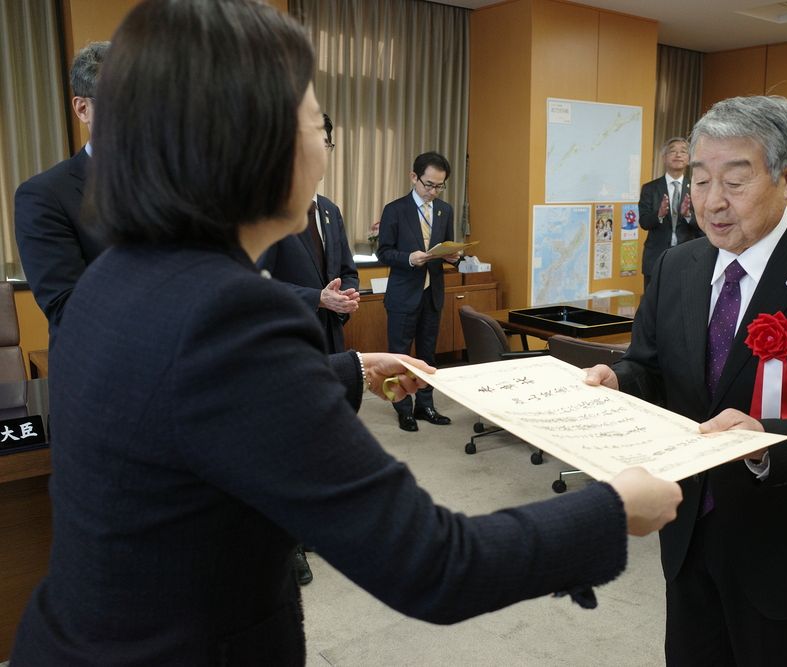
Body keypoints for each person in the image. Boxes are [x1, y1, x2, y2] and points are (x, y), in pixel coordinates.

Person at [11, 1, 682, 664]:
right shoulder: (229, 313)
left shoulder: (125, 270)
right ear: (255, 144)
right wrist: (611, 509)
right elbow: (431, 562)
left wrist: (348, 368)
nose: (325, 148)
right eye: (315, 124)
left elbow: (186, 400)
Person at [586, 96, 787, 665]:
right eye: (700, 181)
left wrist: (762, 440)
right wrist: (618, 380)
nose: (712, 202)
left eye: (735, 180)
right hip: (689, 529)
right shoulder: (678, 267)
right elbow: (651, 367)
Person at [15, 41, 110, 349]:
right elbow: (69, 310)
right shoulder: (44, 196)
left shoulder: (181, 184)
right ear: (83, 108)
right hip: (104, 379)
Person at [258, 114, 361, 357]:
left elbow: (347, 271)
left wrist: (344, 299)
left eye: (325, 145)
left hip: (331, 338)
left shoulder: (330, 210)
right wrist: (318, 298)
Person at [377, 151, 461, 432]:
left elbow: (449, 248)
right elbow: (384, 252)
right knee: (399, 356)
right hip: (403, 293)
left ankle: (425, 405)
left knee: (427, 355)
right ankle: (402, 408)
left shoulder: (444, 210)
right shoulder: (395, 210)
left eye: (440, 186)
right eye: (428, 184)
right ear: (414, 177)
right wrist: (409, 259)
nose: (433, 191)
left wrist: (454, 257)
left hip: (432, 293)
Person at [638, 137, 702, 290]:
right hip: (655, 257)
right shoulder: (650, 188)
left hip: (687, 257)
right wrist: (659, 214)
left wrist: (688, 215)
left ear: (689, 159)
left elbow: (704, 226)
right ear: (664, 158)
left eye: (683, 152)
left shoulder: (697, 188)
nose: (678, 155)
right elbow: (644, 222)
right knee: (652, 306)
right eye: (673, 151)